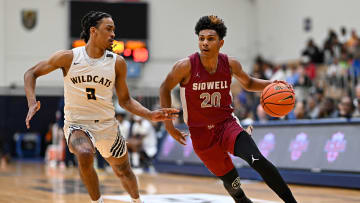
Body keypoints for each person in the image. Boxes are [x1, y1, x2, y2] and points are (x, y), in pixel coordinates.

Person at [24, 11, 178, 203]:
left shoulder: (117, 63)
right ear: (93, 31)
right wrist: (31, 103)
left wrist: (149, 114)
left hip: (107, 126)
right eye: (109, 29)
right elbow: (31, 73)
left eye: (114, 29)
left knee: (124, 171)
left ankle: (137, 200)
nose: (113, 34)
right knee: (85, 153)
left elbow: (126, 101)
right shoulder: (68, 58)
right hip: (77, 124)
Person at [159, 15, 297, 203]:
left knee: (257, 159)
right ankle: (240, 199)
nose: (205, 43)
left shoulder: (230, 64)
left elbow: (248, 82)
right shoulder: (185, 66)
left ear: (220, 43)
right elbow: (164, 88)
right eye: (201, 39)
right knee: (233, 183)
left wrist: (272, 84)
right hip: (201, 134)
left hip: (226, 125)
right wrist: (169, 124)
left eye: (210, 39)